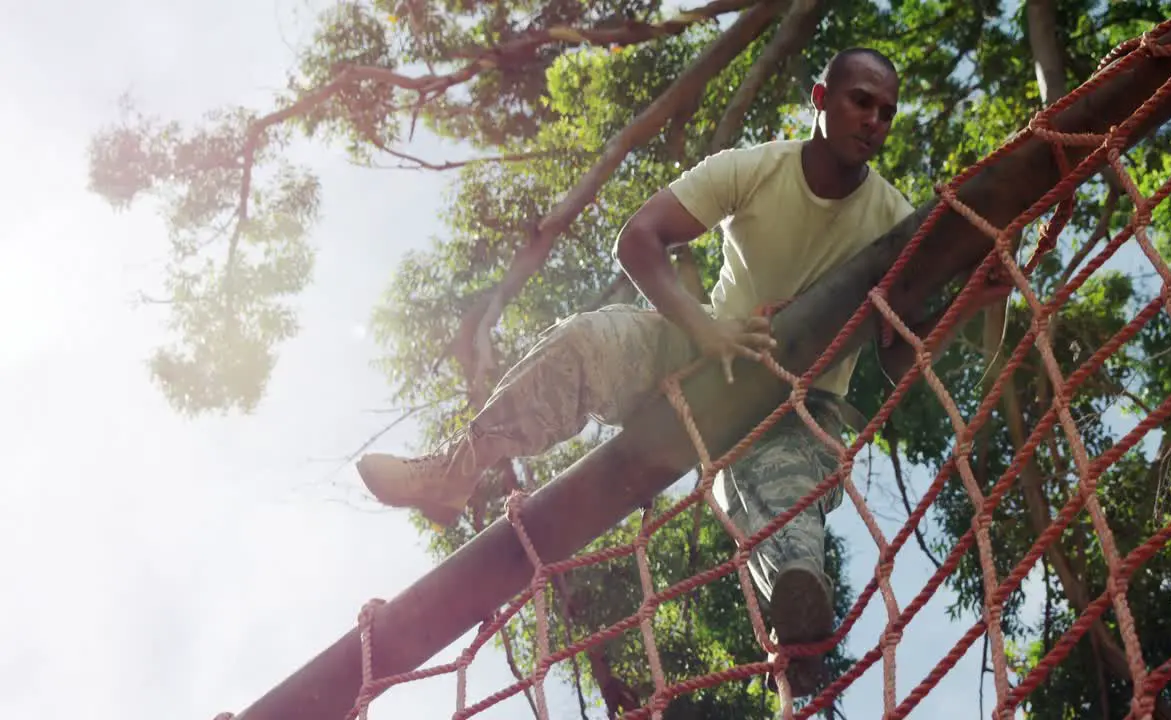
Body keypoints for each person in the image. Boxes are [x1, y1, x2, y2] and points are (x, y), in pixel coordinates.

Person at [357, 48, 1010, 696]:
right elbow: (639, 237)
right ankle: (455, 471)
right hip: (704, 358)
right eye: (859, 101)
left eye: (886, 112)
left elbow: (899, 357)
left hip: (796, 407)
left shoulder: (892, 219)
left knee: (788, 513)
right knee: (588, 336)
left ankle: (799, 634)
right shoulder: (757, 169)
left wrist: (970, 305)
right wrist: (708, 327)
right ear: (820, 100)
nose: (873, 119)